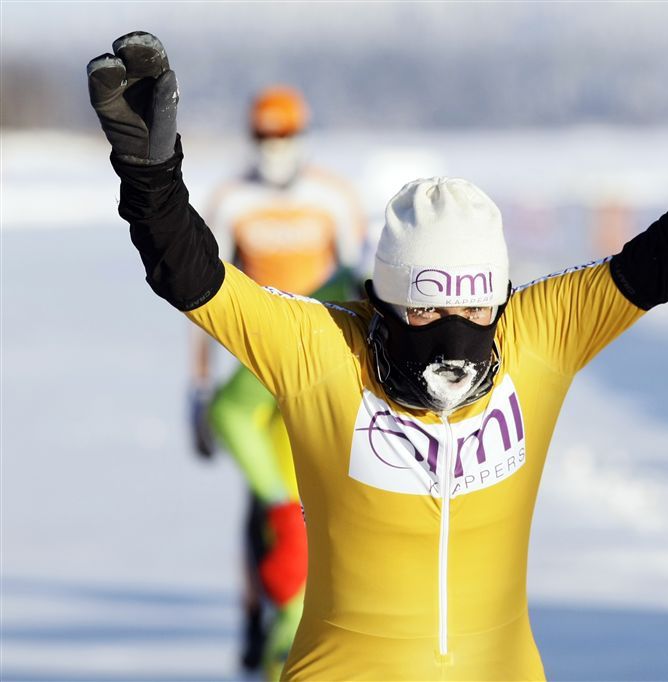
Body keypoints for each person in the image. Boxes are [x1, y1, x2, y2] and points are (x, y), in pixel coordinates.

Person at [87, 31, 668, 680]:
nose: (455, 327)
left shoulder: (539, 335)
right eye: (426, 304)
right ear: (381, 300)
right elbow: (193, 278)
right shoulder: (323, 350)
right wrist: (150, 175)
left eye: (476, 302)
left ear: (503, 294)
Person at [187, 86, 367, 677]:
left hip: (314, 358)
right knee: (265, 509)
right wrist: (199, 385)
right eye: (265, 137)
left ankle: (306, 629)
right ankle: (259, 622)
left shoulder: (332, 197)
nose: (275, 149)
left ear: (303, 136)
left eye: (284, 136)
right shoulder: (231, 200)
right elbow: (203, 297)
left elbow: (361, 283)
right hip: (253, 361)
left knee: (308, 495)